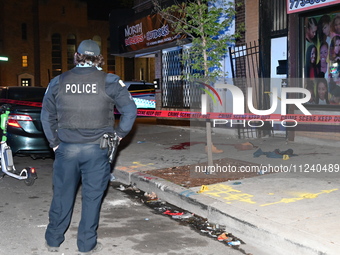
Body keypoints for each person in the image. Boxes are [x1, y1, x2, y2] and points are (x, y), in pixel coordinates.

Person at [41, 39, 137, 254]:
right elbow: (130, 111)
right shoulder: (110, 81)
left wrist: (54, 144)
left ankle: (54, 240)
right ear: (99, 57)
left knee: (62, 196)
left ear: (77, 56)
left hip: (67, 148)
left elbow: (46, 117)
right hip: (97, 150)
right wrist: (119, 135)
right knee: (92, 199)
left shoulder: (58, 81)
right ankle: (86, 245)